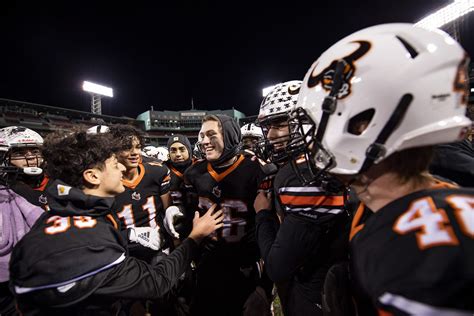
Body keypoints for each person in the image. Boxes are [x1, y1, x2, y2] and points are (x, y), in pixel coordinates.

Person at [294, 23, 474, 314]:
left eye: (314, 126)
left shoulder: (416, 248)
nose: (312, 140)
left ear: (362, 125)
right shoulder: (401, 203)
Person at [9, 129, 224, 315]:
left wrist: (126, 235)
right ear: (93, 176)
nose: (122, 169)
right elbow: (155, 282)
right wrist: (195, 237)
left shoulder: (59, 217)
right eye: (114, 164)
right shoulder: (89, 245)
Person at [253, 81, 350, 316]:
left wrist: (263, 214)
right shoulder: (323, 162)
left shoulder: (301, 174)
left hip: (314, 296)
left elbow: (278, 266)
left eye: (279, 124)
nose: (270, 134)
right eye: (267, 126)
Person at [175, 114, 272, 315]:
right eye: (201, 135)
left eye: (211, 135)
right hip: (207, 263)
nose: (203, 141)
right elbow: (188, 215)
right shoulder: (194, 173)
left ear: (229, 136)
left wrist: (265, 286)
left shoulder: (256, 170)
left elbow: (270, 228)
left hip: (244, 266)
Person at [0, 126, 50, 208]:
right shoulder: (3, 190)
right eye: (19, 153)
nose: (31, 157)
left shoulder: (58, 182)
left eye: (35, 151)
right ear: (3, 157)